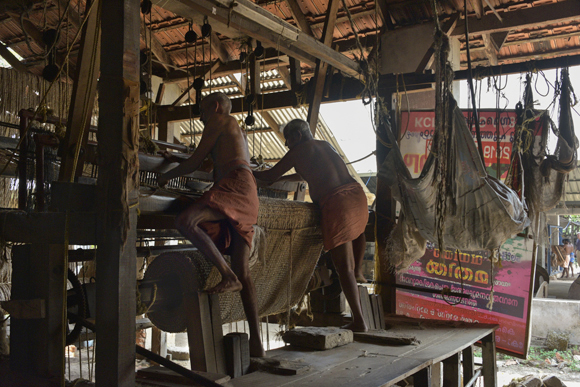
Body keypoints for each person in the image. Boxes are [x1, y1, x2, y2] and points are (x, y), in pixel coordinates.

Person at [157, 92, 265, 357]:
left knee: (185, 220)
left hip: (235, 185)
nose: (202, 117)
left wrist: (165, 177)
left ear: (215, 107)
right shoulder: (232, 130)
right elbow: (207, 163)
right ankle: (258, 347)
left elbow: (195, 162)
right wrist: (174, 160)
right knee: (244, 272)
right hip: (246, 190)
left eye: (203, 111)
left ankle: (227, 276)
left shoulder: (220, 119)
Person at [253, 119, 369, 332]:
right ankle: (360, 270)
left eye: (288, 139)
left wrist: (248, 172)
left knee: (345, 269)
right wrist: (281, 179)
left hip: (338, 204)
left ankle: (360, 322)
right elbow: (307, 172)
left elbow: (269, 175)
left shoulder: (298, 151)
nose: (287, 145)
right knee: (356, 241)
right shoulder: (324, 145)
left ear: (297, 136)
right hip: (357, 197)